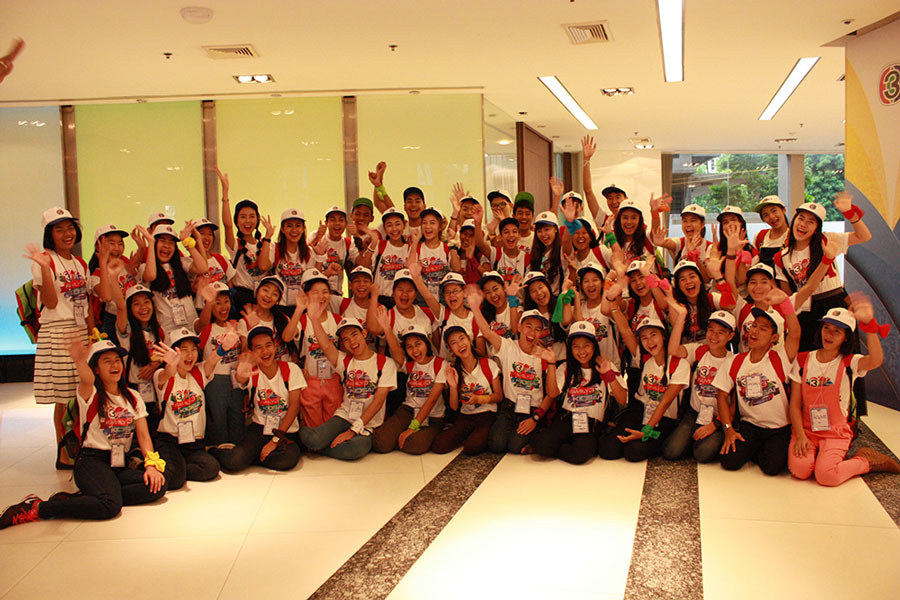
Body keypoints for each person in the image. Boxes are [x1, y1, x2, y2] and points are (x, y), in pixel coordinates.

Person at [1, 340, 166, 529]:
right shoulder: (91, 393)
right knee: (110, 506)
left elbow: (144, 436)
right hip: (92, 461)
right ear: (96, 368)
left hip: (119, 463)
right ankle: (38, 508)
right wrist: (80, 361)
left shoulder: (133, 397)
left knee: (157, 486)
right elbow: (87, 380)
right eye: (107, 361)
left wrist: (151, 466)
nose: (114, 365)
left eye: (117, 360)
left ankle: (93, 496)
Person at [788, 297, 899, 485]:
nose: (829, 335)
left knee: (827, 476)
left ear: (846, 337)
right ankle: (824, 456)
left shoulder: (850, 362)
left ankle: (866, 460)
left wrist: (869, 326)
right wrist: (800, 435)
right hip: (807, 430)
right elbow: (794, 404)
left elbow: (875, 360)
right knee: (800, 470)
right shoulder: (802, 360)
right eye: (826, 328)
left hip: (835, 432)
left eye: (837, 331)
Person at [27, 207, 93, 469]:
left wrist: (92, 333)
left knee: (82, 391)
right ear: (49, 234)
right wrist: (45, 269)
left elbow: (86, 301)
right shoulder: (45, 260)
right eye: (59, 229)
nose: (67, 234)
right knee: (64, 398)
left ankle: (82, 446)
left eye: (70, 228)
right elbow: (51, 303)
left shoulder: (80, 263)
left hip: (80, 330)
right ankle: (64, 453)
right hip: (58, 331)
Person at [713, 288, 801, 475]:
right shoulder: (735, 361)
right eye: (754, 325)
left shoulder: (780, 359)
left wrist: (785, 303)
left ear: (774, 337)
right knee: (729, 462)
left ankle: (764, 450)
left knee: (772, 468)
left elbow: (795, 334)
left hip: (778, 428)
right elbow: (722, 397)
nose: (754, 331)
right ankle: (756, 448)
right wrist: (728, 429)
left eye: (763, 328)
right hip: (750, 425)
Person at [775, 194, 872, 351]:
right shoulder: (781, 257)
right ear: (794, 220)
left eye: (811, 221)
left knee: (844, 355)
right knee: (808, 357)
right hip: (806, 310)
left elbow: (864, 236)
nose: (803, 224)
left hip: (835, 301)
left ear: (816, 229)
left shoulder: (826, 240)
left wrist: (850, 214)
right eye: (801, 218)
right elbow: (788, 295)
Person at [299, 313, 397, 460]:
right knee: (313, 439)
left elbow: (378, 402)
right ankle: (308, 441)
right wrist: (314, 319)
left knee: (353, 449)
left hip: (368, 424)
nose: (352, 342)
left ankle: (316, 448)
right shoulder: (344, 360)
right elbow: (326, 345)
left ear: (364, 333)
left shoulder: (385, 363)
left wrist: (353, 431)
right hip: (344, 416)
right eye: (345, 339)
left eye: (354, 334)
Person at [469, 289, 554, 455]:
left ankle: (538, 431)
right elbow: (487, 333)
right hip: (509, 408)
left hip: (532, 410)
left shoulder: (545, 355)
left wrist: (535, 418)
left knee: (515, 446)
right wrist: (474, 308)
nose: (532, 333)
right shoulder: (508, 346)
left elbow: (551, 394)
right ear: (519, 326)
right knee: (496, 445)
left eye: (538, 329)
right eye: (528, 326)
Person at [531, 321, 628, 464]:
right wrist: (551, 363)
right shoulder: (566, 367)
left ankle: (562, 446)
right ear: (570, 349)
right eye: (576, 346)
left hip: (590, 423)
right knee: (541, 445)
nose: (581, 351)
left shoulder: (606, 366)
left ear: (594, 346)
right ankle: (556, 443)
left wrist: (609, 375)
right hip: (567, 418)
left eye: (586, 345)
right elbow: (552, 393)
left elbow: (622, 399)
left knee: (580, 455)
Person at [600, 306, 689, 462]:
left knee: (633, 452)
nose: (650, 341)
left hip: (664, 418)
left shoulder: (679, 364)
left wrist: (647, 430)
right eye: (644, 338)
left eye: (653, 335)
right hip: (641, 411)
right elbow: (625, 330)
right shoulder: (645, 360)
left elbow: (665, 402)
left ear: (663, 337)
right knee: (609, 450)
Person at [212, 326, 304, 471]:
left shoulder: (291, 369)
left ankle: (251, 457)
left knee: (287, 460)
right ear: (252, 352)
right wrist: (241, 372)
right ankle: (216, 451)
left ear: (275, 346)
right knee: (234, 462)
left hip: (285, 430)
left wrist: (275, 440)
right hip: (260, 428)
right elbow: (241, 379)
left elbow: (294, 407)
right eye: (258, 348)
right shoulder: (252, 372)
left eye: (268, 345)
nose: (265, 351)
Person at [151, 328, 222, 490]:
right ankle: (167, 469)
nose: (190, 355)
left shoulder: (198, 373)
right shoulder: (161, 375)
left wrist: (224, 347)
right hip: (170, 441)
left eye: (193, 349)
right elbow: (167, 374)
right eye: (183, 350)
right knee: (175, 481)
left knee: (211, 468)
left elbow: (213, 360)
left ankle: (177, 468)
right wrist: (171, 364)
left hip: (194, 443)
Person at [663, 307, 735, 462]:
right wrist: (681, 317)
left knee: (703, 453)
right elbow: (673, 350)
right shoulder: (699, 351)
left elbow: (735, 402)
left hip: (719, 417)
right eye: (711, 330)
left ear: (730, 336)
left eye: (721, 332)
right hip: (695, 412)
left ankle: (705, 438)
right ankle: (693, 437)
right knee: (671, 451)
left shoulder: (734, 361)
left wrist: (716, 424)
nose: (714, 336)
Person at [371, 319, 446, 454]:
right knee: (380, 442)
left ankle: (408, 435)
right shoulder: (409, 365)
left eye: (418, 344)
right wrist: (387, 329)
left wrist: (412, 427)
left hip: (433, 416)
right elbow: (395, 350)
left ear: (427, 343)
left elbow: (431, 400)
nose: (415, 350)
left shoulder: (441, 364)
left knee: (414, 444)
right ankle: (399, 437)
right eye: (409, 347)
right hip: (409, 410)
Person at [282, 269, 343, 428]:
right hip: (310, 380)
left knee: (332, 425)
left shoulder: (337, 320)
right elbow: (287, 337)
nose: (321, 296)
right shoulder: (303, 320)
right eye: (315, 292)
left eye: (325, 292)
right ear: (307, 295)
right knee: (313, 425)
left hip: (334, 380)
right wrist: (298, 309)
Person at [431, 326, 502, 455]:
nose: (460, 345)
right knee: (439, 445)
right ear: (450, 349)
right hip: (466, 416)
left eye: (462, 339)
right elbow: (454, 407)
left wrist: (479, 399)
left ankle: (478, 436)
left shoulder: (488, 364)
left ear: (469, 340)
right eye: (454, 343)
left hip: (487, 414)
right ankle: (472, 435)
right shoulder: (455, 370)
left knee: (471, 448)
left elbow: (499, 396)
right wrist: (453, 386)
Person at [217, 168, 275, 316]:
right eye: (242, 217)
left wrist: (267, 237)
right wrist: (225, 194)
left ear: (257, 220)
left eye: (251, 216)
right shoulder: (235, 245)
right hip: (243, 299)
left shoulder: (268, 245)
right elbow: (227, 225)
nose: (247, 221)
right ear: (237, 221)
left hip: (265, 299)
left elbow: (265, 267)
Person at [195, 281, 244, 445]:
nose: (223, 307)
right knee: (218, 418)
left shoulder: (235, 325)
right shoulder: (207, 328)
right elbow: (201, 326)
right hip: (215, 378)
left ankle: (237, 450)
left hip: (236, 379)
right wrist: (209, 302)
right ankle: (219, 449)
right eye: (217, 303)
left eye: (226, 301)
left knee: (237, 415)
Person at [112, 283, 165, 432]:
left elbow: (166, 355)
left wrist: (156, 364)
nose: (143, 307)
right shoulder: (126, 330)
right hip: (134, 389)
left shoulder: (158, 330)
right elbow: (120, 307)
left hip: (156, 391)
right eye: (136, 304)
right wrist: (113, 278)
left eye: (146, 302)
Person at [139, 223, 208, 334]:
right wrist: (151, 243)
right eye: (162, 241)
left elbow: (203, 268)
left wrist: (188, 243)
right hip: (167, 329)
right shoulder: (145, 267)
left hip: (191, 324)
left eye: (171, 242)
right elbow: (151, 275)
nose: (167, 246)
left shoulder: (181, 263)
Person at [89, 224, 135, 343]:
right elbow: (107, 297)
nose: (117, 248)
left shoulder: (125, 263)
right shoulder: (95, 276)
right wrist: (103, 262)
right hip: (114, 320)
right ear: (98, 246)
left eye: (120, 243)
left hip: (135, 316)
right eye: (111, 243)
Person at [359, 207, 409, 309]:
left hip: (402, 301)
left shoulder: (409, 248)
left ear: (404, 226)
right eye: (389, 225)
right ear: (384, 229)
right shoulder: (379, 245)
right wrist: (374, 242)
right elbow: (363, 266)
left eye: (397, 224)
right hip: (379, 300)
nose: (394, 229)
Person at [273, 208, 315, 314]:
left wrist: (320, 256)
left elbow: (312, 281)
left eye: (298, 226)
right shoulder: (274, 249)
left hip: (302, 307)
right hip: (279, 306)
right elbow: (263, 267)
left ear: (303, 228)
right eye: (289, 226)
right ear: (282, 229)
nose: (294, 230)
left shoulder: (309, 252)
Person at [313, 205, 358, 297]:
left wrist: (357, 236)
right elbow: (305, 257)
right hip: (317, 293)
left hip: (337, 294)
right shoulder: (317, 237)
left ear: (346, 223)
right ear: (326, 223)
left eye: (341, 220)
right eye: (333, 220)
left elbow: (361, 264)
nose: (337, 223)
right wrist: (317, 237)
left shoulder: (348, 243)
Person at [528, 211, 568, 295]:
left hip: (557, 298)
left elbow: (567, 241)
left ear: (556, 229)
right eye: (539, 231)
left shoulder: (561, 250)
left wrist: (570, 221)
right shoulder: (536, 252)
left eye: (547, 229)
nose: (543, 234)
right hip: (539, 298)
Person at [753, 195, 789, 267]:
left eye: (774, 211)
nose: (771, 217)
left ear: (784, 210)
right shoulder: (760, 236)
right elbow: (753, 264)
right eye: (766, 215)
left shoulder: (793, 236)